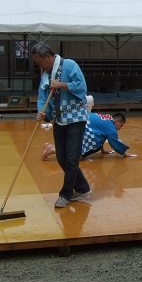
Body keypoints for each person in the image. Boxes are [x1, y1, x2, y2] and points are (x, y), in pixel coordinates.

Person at [32, 43, 90, 208]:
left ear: (48, 57)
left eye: (39, 62)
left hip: (75, 118)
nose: (39, 66)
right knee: (61, 158)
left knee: (72, 158)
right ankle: (83, 187)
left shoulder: (69, 65)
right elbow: (43, 97)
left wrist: (62, 85)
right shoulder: (45, 75)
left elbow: (81, 87)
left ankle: (66, 194)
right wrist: (43, 113)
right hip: (58, 119)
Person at [43, 112, 136, 160]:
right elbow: (114, 143)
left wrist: (103, 150)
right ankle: (52, 150)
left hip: (78, 126)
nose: (120, 128)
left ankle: (50, 146)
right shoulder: (110, 127)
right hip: (83, 130)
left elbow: (100, 134)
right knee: (77, 156)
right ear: (117, 121)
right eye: (121, 125)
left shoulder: (106, 118)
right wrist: (125, 153)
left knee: (94, 140)